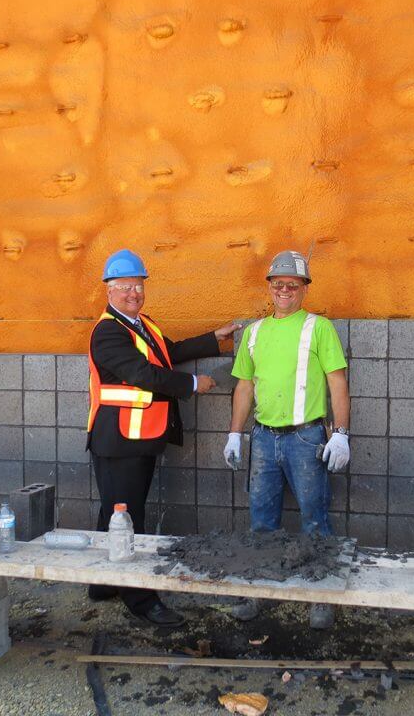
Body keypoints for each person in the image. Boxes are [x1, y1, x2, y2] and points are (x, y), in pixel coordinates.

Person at [87, 248, 240, 627]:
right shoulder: (108, 331)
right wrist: (193, 384)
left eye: (138, 286)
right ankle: (140, 599)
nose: (133, 293)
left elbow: (166, 353)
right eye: (124, 287)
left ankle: (102, 583)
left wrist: (212, 339)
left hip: (138, 436)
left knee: (114, 509)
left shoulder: (142, 324)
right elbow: (144, 374)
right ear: (108, 290)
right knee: (127, 515)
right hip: (118, 439)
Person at [223, 250, 350, 630]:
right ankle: (260, 590)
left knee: (315, 518)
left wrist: (341, 434)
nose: (284, 291)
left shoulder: (319, 328)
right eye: (277, 285)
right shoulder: (255, 332)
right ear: (269, 287)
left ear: (304, 289)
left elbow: (337, 383)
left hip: (306, 438)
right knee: (261, 521)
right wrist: (234, 432)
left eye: (292, 286)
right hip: (263, 440)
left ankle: (320, 596)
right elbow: (244, 387)